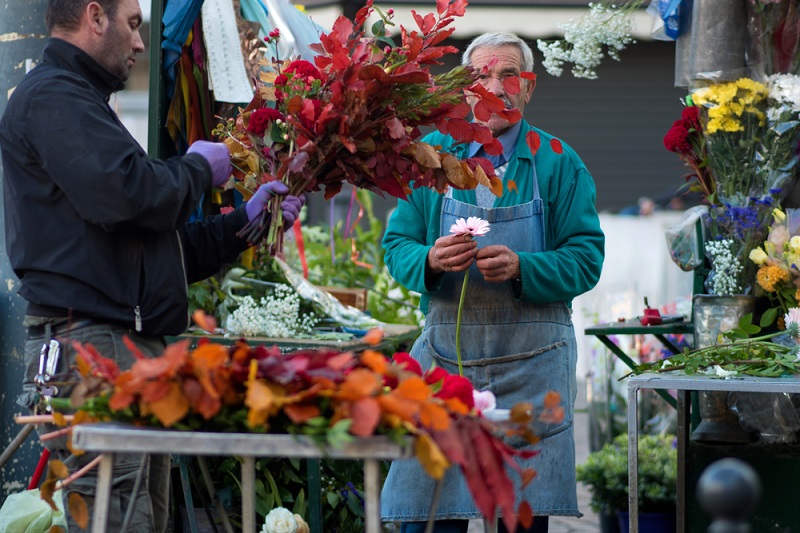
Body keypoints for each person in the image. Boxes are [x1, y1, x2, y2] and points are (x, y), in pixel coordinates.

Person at [0, 1, 303, 531]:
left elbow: (147, 248)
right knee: (119, 514)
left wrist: (242, 224)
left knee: (140, 511)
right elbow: (124, 196)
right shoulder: (53, 96)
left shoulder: (82, 101)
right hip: (94, 344)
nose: (140, 44)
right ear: (95, 16)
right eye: (133, 24)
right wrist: (194, 170)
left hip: (116, 341)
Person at [380, 32, 605, 533]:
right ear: (465, 86)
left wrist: (525, 267)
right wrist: (431, 260)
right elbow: (397, 248)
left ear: (529, 88)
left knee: (519, 522)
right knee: (433, 515)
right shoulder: (431, 156)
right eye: (482, 74)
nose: (495, 86)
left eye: (508, 75)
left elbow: (587, 259)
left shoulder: (558, 161)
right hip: (448, 367)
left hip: (533, 371)